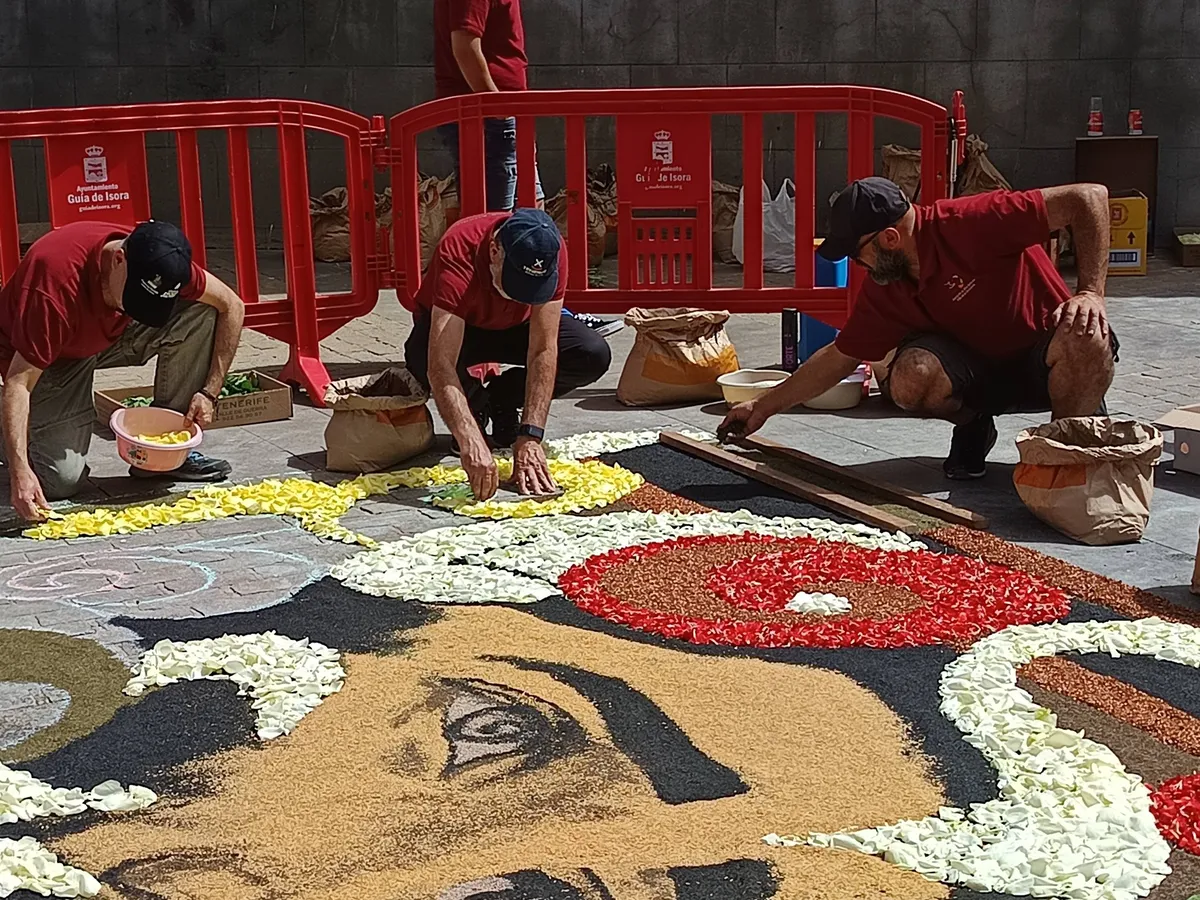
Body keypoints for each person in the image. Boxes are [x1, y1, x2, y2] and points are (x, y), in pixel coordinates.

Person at [719, 177, 1117, 479]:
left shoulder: (972, 221)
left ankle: (1067, 449)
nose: (858, 265)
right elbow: (841, 356)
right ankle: (974, 425)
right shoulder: (888, 284)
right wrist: (762, 406)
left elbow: (1088, 197)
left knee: (1085, 331)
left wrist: (1090, 292)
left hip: (1042, 362)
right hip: (982, 379)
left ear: (890, 238)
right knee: (910, 376)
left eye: (858, 254)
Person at [0, 220, 245, 521]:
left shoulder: (163, 260)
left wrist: (209, 393)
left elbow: (232, 305)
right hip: (52, 356)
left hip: (106, 335)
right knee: (60, 481)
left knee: (202, 312)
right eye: (135, 299)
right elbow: (19, 383)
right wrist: (20, 470)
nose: (137, 309)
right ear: (119, 259)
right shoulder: (54, 283)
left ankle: (164, 454)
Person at [432, 0, 624, 339]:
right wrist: (497, 106)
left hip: (503, 116)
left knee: (533, 221)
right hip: (490, 118)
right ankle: (492, 331)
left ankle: (552, 316)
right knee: (497, 229)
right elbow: (464, 43)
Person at [403, 208, 611, 500]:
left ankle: (504, 398)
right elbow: (441, 364)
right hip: (465, 327)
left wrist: (531, 435)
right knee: (420, 353)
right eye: (515, 284)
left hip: (518, 328)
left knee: (592, 353)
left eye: (531, 290)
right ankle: (475, 406)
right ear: (494, 251)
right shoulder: (460, 246)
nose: (519, 296)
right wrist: (470, 438)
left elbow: (543, 348)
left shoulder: (551, 250)